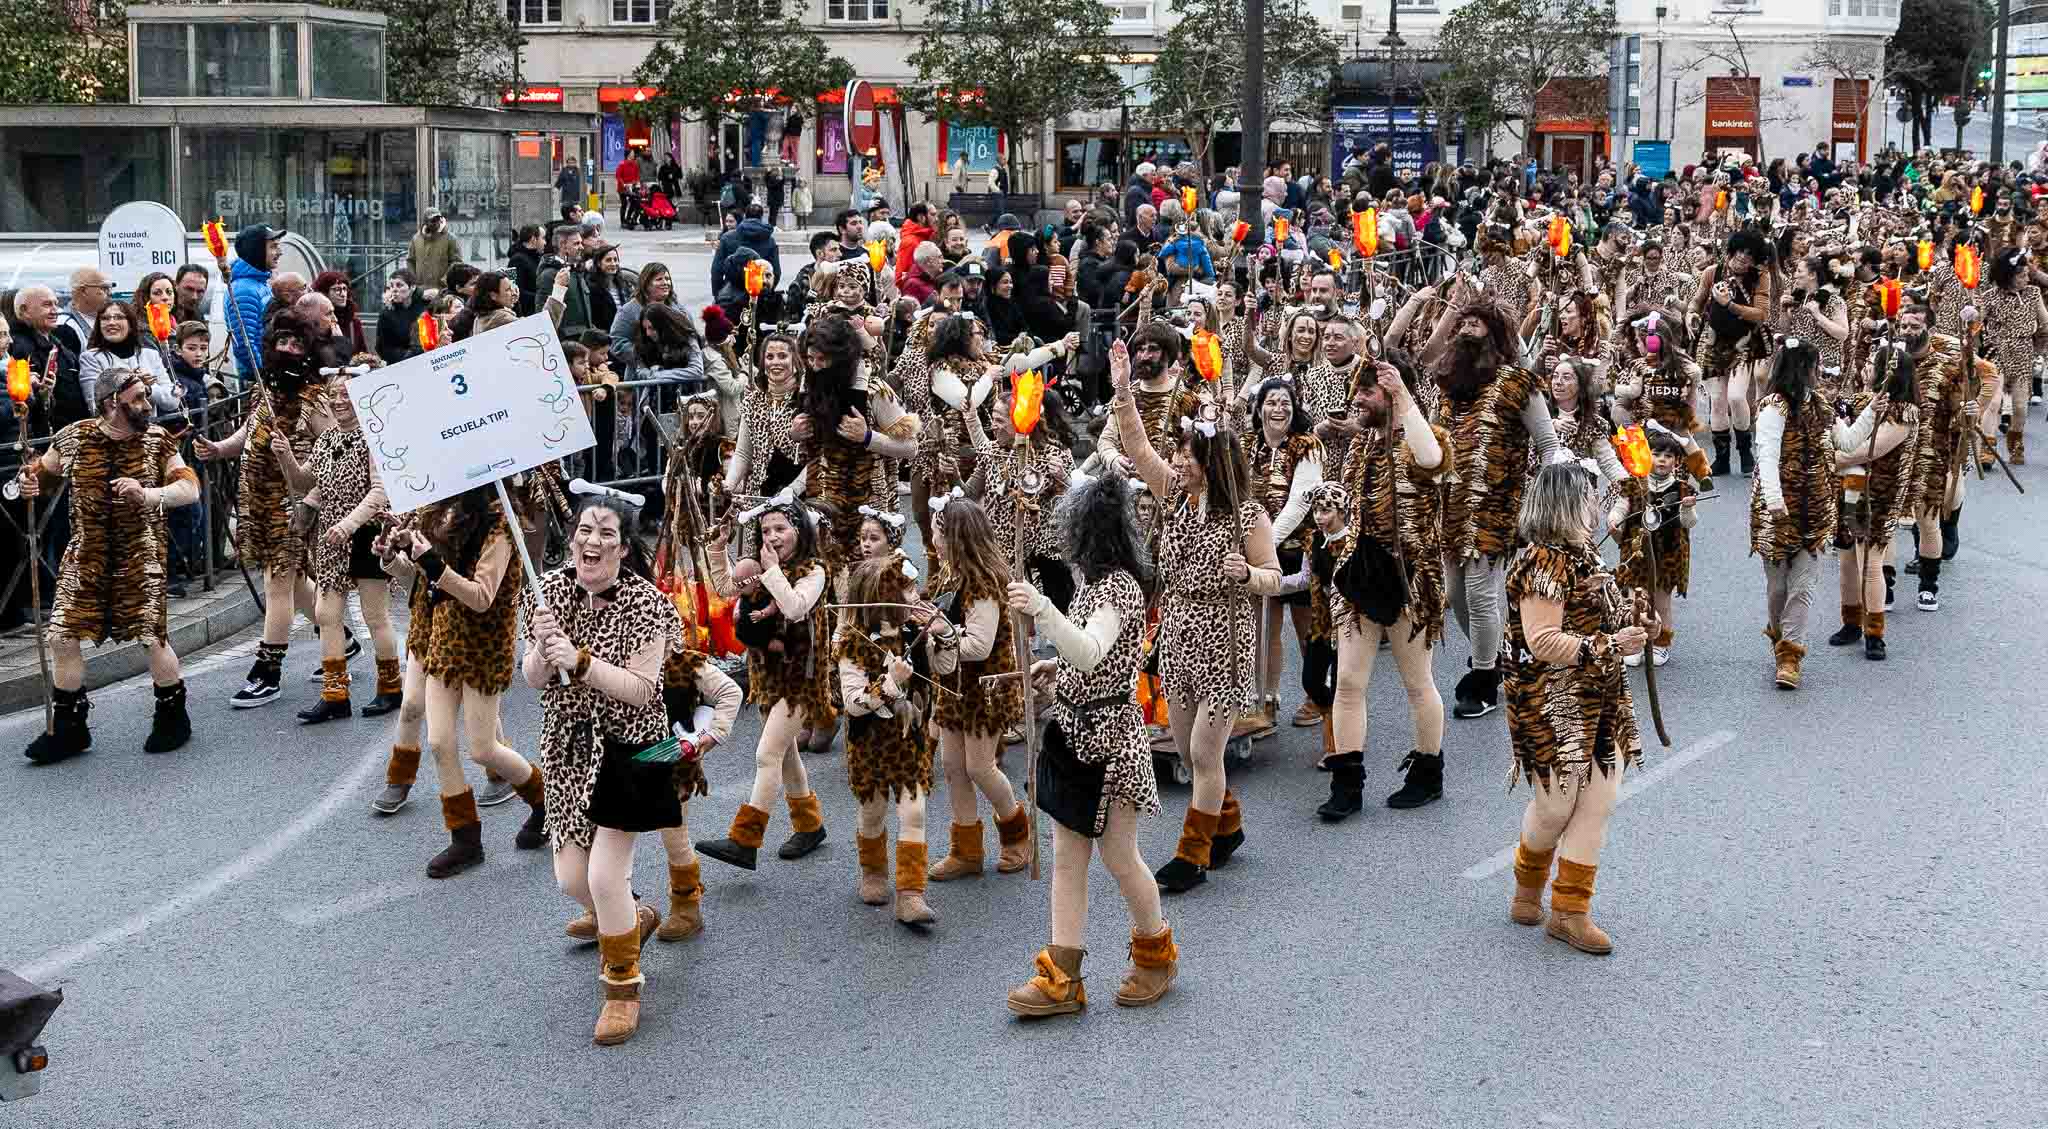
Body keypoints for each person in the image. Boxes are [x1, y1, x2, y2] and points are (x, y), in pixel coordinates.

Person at [1109, 339, 1283, 895]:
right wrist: (1121, 391)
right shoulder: (1174, 498)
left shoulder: (1248, 516)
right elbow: (1135, 447)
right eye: (1179, 454)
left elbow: (1277, 577)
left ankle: (1194, 853)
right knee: (1187, 752)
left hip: (1226, 637)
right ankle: (1227, 826)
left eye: (1188, 454)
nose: (1178, 461)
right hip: (1179, 633)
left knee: (1207, 753)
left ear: (1211, 463)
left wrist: (1247, 575)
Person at [1001, 471, 1177, 1016]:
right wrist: (1058, 669)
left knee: (1121, 857)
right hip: (1074, 730)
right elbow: (1084, 658)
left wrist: (1042, 612)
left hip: (1110, 743)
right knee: (1066, 862)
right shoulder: (1095, 584)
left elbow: (1092, 651)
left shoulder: (1120, 586)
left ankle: (1156, 955)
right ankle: (1062, 978)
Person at [522, 487, 686, 1045]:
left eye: (607, 534)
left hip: (633, 750)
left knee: (603, 874)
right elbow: (532, 680)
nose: (592, 542)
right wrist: (544, 653)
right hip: (567, 749)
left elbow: (642, 691)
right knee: (571, 878)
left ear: (623, 547)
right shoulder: (549, 593)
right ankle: (633, 916)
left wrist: (582, 661)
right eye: (585, 532)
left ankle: (622, 987)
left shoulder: (647, 604)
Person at [1501, 461, 1650, 956]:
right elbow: (1543, 640)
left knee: (1598, 802)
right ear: (1565, 504)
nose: (1597, 505)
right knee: (1554, 807)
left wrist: (1634, 618)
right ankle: (1527, 886)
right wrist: (1609, 643)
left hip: (1602, 697)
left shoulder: (1585, 556)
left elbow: (1600, 616)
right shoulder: (1543, 562)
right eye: (1589, 498)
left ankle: (1570, 911)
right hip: (1551, 701)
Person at [18, 370, 200, 763]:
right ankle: (68, 727)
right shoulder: (75, 436)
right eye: (138, 398)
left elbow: (190, 488)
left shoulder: (157, 441)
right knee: (61, 635)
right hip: (87, 556)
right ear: (110, 403)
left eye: (147, 397)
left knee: (152, 637)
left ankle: (172, 716)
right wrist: (28, 483)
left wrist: (148, 493)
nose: (147, 405)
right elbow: (42, 478)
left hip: (141, 554)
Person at [1312, 355, 1452, 817]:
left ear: (1393, 394)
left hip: (1410, 582)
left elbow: (1432, 459)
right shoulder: (1362, 445)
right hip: (1360, 578)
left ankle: (1428, 773)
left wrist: (1405, 398)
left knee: (1417, 684)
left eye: (1368, 391)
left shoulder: (1420, 438)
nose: (1358, 399)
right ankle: (1347, 784)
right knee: (1348, 682)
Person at [1410, 293, 1559, 719]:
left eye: (1474, 324)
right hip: (1450, 506)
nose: (1465, 330)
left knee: (1478, 592)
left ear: (1494, 334)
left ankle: (1484, 678)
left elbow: (1548, 445)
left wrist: (1543, 502)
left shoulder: (1519, 383)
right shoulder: (1449, 385)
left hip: (1498, 504)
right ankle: (1497, 655)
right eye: (1462, 324)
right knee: (1455, 593)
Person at [193, 320, 338, 707]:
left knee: (278, 583)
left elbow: (336, 454)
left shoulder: (315, 400)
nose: (288, 347)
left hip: (294, 503)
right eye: (282, 340)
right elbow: (247, 432)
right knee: (292, 584)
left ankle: (267, 671)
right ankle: (338, 637)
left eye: (296, 341)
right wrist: (220, 449)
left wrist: (313, 501)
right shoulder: (264, 390)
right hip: (256, 502)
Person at [694, 497, 835, 870]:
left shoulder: (813, 570)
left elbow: (794, 607)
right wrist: (719, 545)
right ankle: (810, 825)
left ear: (799, 531)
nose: (772, 537)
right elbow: (726, 589)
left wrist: (772, 570)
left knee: (766, 754)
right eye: (766, 530)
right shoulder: (765, 568)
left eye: (780, 529)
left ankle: (745, 839)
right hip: (767, 677)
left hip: (800, 680)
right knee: (785, 754)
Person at [920, 497, 1030, 881]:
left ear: (954, 536)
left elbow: (978, 646)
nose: (931, 537)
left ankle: (1017, 831)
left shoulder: (982, 582)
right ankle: (966, 851)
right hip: (954, 685)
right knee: (952, 767)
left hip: (985, 688)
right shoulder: (950, 573)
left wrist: (939, 635)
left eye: (936, 530)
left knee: (980, 767)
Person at [834, 552, 942, 926]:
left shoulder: (914, 632)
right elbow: (852, 703)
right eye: (901, 591)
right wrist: (891, 682)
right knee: (873, 812)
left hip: (910, 741)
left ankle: (911, 893)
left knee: (914, 810)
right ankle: (873, 870)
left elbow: (943, 669)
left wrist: (943, 637)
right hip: (870, 749)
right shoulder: (852, 642)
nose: (910, 597)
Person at [1751, 337, 1841, 691]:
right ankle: (1780, 642)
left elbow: (1845, 442)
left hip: (1814, 508)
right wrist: (1775, 501)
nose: (1819, 374)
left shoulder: (1820, 405)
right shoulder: (1773, 407)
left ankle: (1790, 656)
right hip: (1777, 513)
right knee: (1778, 589)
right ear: (1803, 369)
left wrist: (1872, 412)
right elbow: (1767, 456)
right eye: (1815, 367)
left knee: (1801, 587)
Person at [1826, 341, 1919, 661]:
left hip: (1877, 494)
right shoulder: (1864, 401)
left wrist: (1834, 459)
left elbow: (1872, 450)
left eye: (1873, 362)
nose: (1867, 364)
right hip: (1849, 487)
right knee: (1847, 559)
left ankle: (1874, 632)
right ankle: (1851, 621)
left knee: (1870, 562)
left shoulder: (1904, 411)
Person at [1611, 426, 1697, 670]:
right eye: (1657, 454)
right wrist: (1614, 519)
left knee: (1661, 602)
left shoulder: (1682, 489)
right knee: (1634, 601)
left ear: (1676, 461)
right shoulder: (1634, 484)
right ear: (1647, 456)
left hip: (1668, 554)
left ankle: (1661, 643)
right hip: (1635, 554)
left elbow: (1689, 523)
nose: (1662, 459)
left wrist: (1688, 507)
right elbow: (1621, 506)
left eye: (1668, 456)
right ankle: (1634, 644)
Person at [78, 302, 172, 417]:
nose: (111, 322)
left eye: (119, 317)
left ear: (131, 324)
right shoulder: (91, 358)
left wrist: (149, 389)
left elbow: (172, 401)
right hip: (114, 432)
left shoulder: (150, 355)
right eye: (105, 318)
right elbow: (95, 407)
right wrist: (133, 384)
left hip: (149, 431)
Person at [226, 224, 284, 382]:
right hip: (259, 382)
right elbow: (245, 345)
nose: (280, 252)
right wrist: (265, 375)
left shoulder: (259, 284)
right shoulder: (244, 290)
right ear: (256, 251)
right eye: (273, 247)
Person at [712, 202, 782, 296]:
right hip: (759, 290)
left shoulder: (727, 238)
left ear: (745, 215)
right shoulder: (770, 241)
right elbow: (776, 271)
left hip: (732, 292)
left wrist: (718, 294)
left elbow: (717, 270)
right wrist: (768, 290)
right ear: (761, 217)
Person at [375, 270, 429, 366]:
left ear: (412, 287)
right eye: (391, 286)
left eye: (399, 285)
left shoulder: (425, 306)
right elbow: (382, 348)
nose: (394, 290)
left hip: (428, 362)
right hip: (400, 366)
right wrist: (407, 356)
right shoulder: (387, 314)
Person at [407, 209, 461, 299]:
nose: (436, 223)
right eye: (432, 220)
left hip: (442, 290)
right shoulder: (416, 238)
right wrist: (414, 279)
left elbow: (457, 262)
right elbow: (410, 260)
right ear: (425, 222)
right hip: (421, 290)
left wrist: (445, 280)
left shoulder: (450, 238)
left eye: (438, 220)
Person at [509, 224, 547, 316]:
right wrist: (542, 298)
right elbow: (517, 291)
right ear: (533, 239)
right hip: (528, 315)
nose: (545, 242)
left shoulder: (537, 258)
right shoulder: (517, 260)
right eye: (543, 238)